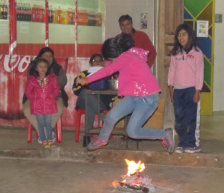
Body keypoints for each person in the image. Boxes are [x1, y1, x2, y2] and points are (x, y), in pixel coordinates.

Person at [76, 34, 174, 152]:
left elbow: (108, 70)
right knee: (111, 116)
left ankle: (164, 134)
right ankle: (102, 139)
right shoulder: (128, 55)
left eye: (110, 59)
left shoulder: (125, 58)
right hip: (134, 96)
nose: (110, 62)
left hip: (147, 99)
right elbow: (110, 66)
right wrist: (107, 62)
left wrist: (87, 79)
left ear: (114, 55)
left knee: (132, 131)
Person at [168, 23, 204, 154]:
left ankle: (191, 144)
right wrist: (171, 88)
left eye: (183, 34)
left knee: (190, 118)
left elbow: (199, 73)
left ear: (190, 36)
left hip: (191, 90)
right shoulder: (175, 53)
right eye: (179, 35)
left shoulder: (197, 53)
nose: (180, 37)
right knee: (179, 118)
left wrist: (197, 90)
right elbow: (171, 71)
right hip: (178, 90)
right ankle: (182, 143)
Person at [23, 47, 68, 143]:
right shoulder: (33, 67)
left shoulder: (57, 68)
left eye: (50, 56)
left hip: (54, 97)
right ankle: (43, 132)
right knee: (27, 110)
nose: (48, 58)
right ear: (40, 57)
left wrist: (50, 85)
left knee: (58, 108)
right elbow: (30, 85)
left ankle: (48, 131)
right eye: (46, 56)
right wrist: (34, 97)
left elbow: (63, 81)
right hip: (35, 97)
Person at [72, 53, 114, 146]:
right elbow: (75, 90)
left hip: (101, 102)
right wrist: (85, 82)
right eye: (95, 61)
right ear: (91, 63)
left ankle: (87, 135)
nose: (98, 62)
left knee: (89, 104)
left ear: (103, 63)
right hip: (83, 101)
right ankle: (101, 113)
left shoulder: (107, 74)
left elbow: (112, 93)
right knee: (85, 93)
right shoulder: (83, 74)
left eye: (100, 60)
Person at [25, 58, 60, 148]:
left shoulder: (52, 78)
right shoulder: (32, 80)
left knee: (48, 123)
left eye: (45, 66)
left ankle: (49, 139)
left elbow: (56, 90)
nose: (43, 68)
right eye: (40, 66)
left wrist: (52, 96)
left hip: (49, 104)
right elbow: (28, 92)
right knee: (40, 123)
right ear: (36, 68)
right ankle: (43, 139)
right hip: (37, 105)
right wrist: (34, 98)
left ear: (47, 68)